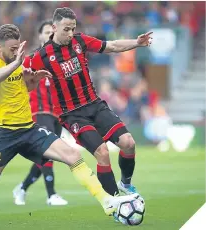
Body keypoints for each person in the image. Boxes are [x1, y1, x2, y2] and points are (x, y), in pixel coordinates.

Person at [0, 24, 138, 226]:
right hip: (5, 134)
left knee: (73, 155)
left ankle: (107, 202)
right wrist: (16, 64)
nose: (16, 52)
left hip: (29, 129)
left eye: (18, 48)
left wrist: (33, 79)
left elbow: (26, 89)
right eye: (12, 49)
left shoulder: (18, 62)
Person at [27, 7, 153, 196]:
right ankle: (115, 202)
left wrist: (136, 42)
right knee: (102, 152)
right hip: (72, 114)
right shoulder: (41, 56)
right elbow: (20, 77)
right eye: (66, 29)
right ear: (54, 27)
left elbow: (111, 46)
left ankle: (125, 184)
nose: (70, 33)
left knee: (128, 143)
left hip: (94, 104)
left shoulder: (80, 41)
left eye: (73, 28)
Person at [12, 20, 68, 206]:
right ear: (40, 36)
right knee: (48, 150)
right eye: (46, 32)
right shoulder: (31, 59)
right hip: (39, 111)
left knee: (47, 155)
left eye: (52, 32)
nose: (50, 35)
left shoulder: (61, 59)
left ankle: (22, 187)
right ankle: (51, 195)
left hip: (57, 114)